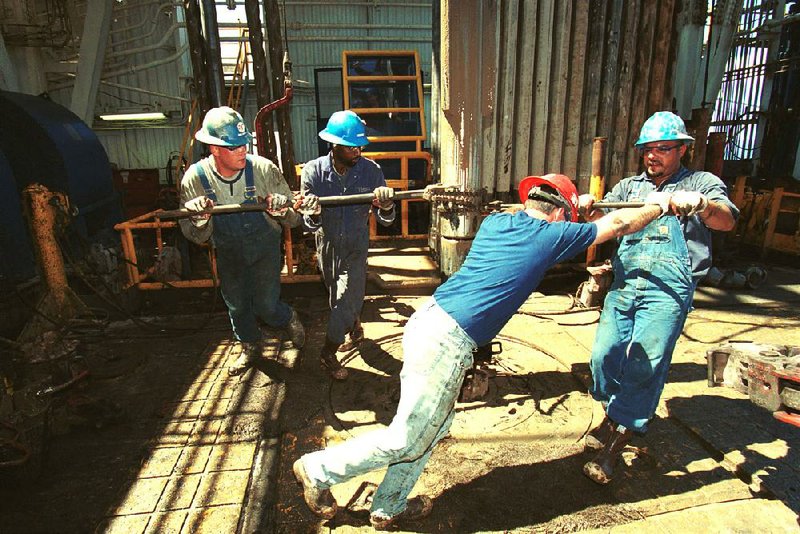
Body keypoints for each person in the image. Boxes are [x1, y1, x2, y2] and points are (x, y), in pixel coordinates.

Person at [293, 173, 674, 529]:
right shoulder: (549, 237)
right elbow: (620, 225)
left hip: (429, 321)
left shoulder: (498, 223)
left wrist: (579, 208)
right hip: (447, 339)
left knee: (433, 428)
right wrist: (662, 204)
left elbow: (546, 216)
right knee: (406, 437)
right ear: (560, 214)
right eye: (567, 217)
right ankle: (318, 469)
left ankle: (387, 505)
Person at [578, 111, 739, 485]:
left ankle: (616, 444)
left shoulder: (701, 182)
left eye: (664, 148)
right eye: (648, 149)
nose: (654, 156)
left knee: (644, 364)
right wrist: (586, 205)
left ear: (683, 149)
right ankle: (615, 412)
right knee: (604, 357)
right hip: (625, 283)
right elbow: (600, 221)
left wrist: (701, 204)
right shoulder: (629, 189)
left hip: (667, 291)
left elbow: (728, 219)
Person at [179, 106, 317, 376]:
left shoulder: (264, 170)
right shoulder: (195, 179)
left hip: (264, 246)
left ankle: (287, 317)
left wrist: (282, 211)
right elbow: (197, 237)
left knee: (266, 305)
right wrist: (199, 219)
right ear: (214, 149)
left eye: (244, 143)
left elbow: (294, 219)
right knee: (237, 304)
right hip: (228, 250)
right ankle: (250, 347)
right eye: (234, 146)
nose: (243, 150)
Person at [300, 110, 396, 380]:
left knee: (347, 298)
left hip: (356, 244)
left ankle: (328, 353)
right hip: (327, 246)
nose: (358, 151)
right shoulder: (313, 172)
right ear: (335, 144)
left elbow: (386, 220)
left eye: (360, 146)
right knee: (337, 299)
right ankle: (353, 324)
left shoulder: (371, 171)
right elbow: (308, 226)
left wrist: (386, 205)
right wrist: (313, 213)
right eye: (351, 147)